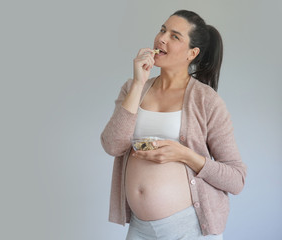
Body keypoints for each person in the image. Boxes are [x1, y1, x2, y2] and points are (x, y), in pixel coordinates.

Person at [100, 10, 247, 240]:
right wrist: (139, 83)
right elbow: (112, 145)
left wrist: (186, 155)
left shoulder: (206, 101)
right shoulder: (132, 88)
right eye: (162, 30)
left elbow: (236, 179)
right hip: (140, 228)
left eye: (175, 36)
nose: (161, 38)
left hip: (189, 229)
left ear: (192, 53)